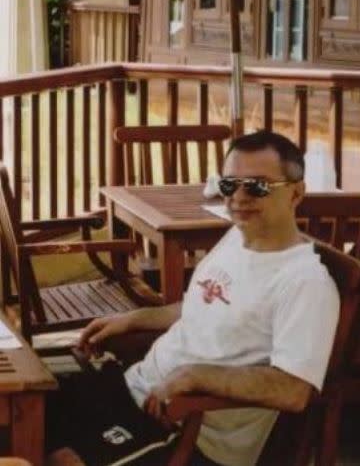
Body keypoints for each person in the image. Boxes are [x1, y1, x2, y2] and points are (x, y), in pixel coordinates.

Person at [46, 130, 340, 466]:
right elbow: (199, 306)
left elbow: (293, 390)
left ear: (296, 193)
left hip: (185, 428)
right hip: (138, 387)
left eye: (257, 186)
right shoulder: (236, 237)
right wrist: (130, 320)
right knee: (28, 407)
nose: (239, 197)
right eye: (229, 185)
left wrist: (195, 376)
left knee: (62, 459)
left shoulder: (305, 283)